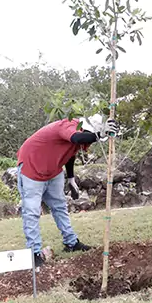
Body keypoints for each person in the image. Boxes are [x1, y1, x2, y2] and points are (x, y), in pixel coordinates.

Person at [16, 114, 118, 266]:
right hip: (32, 168)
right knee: (31, 211)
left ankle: (71, 243)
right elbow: (76, 138)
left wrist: (70, 178)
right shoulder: (68, 125)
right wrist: (100, 134)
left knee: (60, 207)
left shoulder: (76, 138)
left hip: (53, 171)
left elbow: (70, 154)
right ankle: (34, 253)